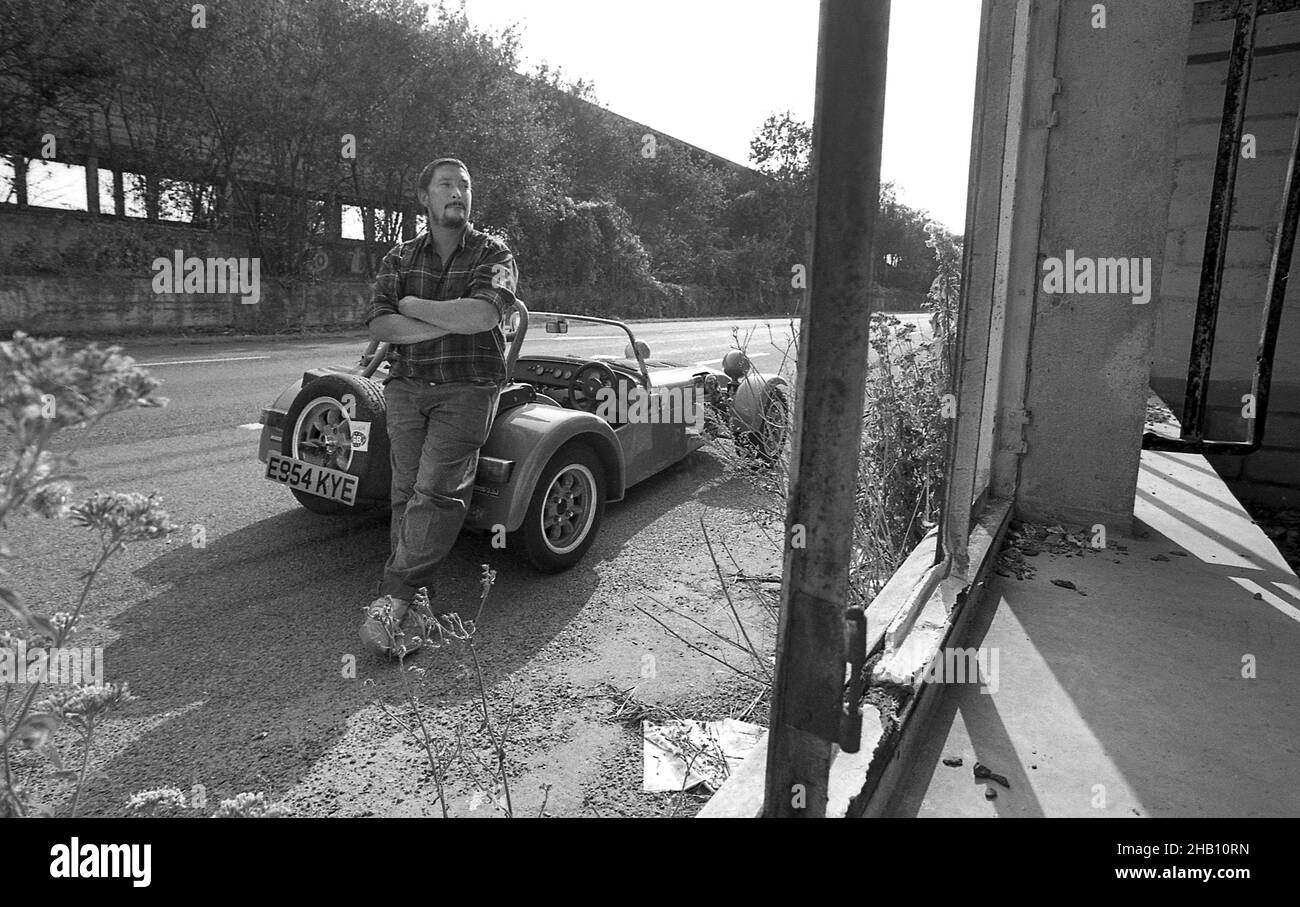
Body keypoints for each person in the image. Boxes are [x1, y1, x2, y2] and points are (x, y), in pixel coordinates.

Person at [358, 157, 517, 657]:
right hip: (407, 386)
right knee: (406, 492)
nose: (458, 192)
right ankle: (418, 606)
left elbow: (485, 312)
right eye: (446, 184)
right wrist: (448, 321)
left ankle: (393, 597)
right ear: (424, 196)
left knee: (437, 491)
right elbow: (380, 325)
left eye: (465, 185)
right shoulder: (400, 257)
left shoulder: (494, 252)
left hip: (468, 387)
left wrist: (415, 308)